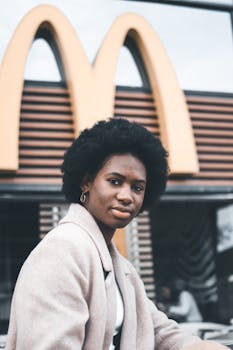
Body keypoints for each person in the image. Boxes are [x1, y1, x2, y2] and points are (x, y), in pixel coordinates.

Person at [6, 118, 228, 349]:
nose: (126, 196)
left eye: (137, 187)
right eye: (115, 181)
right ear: (86, 183)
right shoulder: (62, 251)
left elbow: (162, 333)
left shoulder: (120, 268)